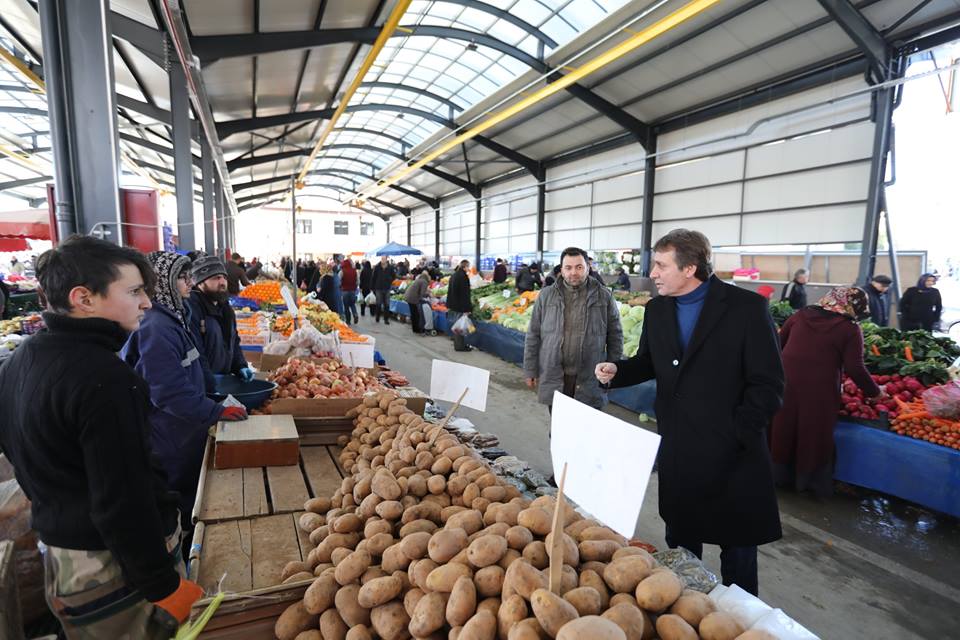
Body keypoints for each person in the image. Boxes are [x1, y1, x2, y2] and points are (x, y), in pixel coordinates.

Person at [0, 236, 203, 637]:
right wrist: (163, 586)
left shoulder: (18, 361)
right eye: (134, 291)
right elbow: (123, 498)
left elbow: (20, 455)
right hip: (114, 570)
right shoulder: (105, 379)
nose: (147, 302)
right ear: (84, 299)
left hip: (63, 561)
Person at [595, 229, 784, 596]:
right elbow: (650, 361)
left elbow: (768, 384)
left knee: (738, 553)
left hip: (733, 454)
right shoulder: (658, 309)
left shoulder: (745, 309)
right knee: (682, 548)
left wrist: (739, 430)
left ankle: (741, 621)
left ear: (690, 267)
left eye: (661, 265)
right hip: (681, 449)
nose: (653, 273)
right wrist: (618, 371)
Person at [123, 252, 248, 537]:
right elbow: (167, 391)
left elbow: (191, 369)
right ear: (162, 282)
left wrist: (212, 396)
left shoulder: (173, 317)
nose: (189, 283)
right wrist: (215, 411)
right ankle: (185, 543)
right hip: (170, 436)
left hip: (186, 429)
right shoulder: (155, 328)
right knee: (180, 498)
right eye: (182, 277)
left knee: (193, 489)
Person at [771, 287, 881, 498]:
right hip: (820, 388)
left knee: (784, 425)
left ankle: (778, 476)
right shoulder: (849, 328)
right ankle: (808, 482)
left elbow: (778, 343)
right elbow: (855, 367)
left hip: (787, 382)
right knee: (814, 431)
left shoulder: (800, 316)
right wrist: (874, 392)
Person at [524, 247, 622, 416]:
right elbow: (533, 334)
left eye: (579, 267)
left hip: (590, 376)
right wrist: (530, 369)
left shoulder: (604, 296)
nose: (573, 273)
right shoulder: (546, 296)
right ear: (561, 270)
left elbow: (615, 335)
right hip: (555, 375)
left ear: (588, 268)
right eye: (568, 268)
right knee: (558, 431)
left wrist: (614, 368)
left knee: (586, 432)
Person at [186, 256, 254, 384]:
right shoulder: (191, 310)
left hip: (224, 380)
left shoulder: (225, 308)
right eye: (216, 278)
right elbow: (196, 353)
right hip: (205, 385)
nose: (222, 282)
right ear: (200, 282)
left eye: (224, 277)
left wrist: (240, 365)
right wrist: (209, 382)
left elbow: (233, 342)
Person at [447, 259, 474, 351]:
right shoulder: (463, 277)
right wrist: (467, 308)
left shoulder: (454, 275)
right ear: (465, 266)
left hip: (453, 304)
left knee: (457, 325)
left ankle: (458, 344)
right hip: (459, 305)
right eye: (468, 266)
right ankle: (460, 346)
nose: (468, 268)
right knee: (460, 327)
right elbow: (465, 294)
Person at [405, 271, 432, 335]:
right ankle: (418, 329)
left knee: (413, 314)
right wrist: (428, 294)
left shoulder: (419, 280)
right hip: (413, 298)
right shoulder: (424, 282)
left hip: (408, 297)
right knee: (416, 314)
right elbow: (422, 293)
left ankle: (415, 329)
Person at [372, 255, 397, 324]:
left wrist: (389, 280)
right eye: (382, 259)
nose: (382, 260)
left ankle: (386, 319)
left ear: (386, 260)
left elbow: (394, 276)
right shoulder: (377, 267)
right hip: (378, 288)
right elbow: (373, 277)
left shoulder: (390, 267)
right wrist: (372, 287)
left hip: (387, 288)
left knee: (387, 304)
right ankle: (377, 317)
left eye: (384, 259)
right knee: (378, 304)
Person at [340, 257, 359, 324]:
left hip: (345, 290)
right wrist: (355, 286)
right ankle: (355, 314)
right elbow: (358, 282)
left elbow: (339, 280)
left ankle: (348, 321)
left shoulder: (342, 271)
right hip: (353, 290)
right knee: (352, 304)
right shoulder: (355, 271)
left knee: (346, 306)